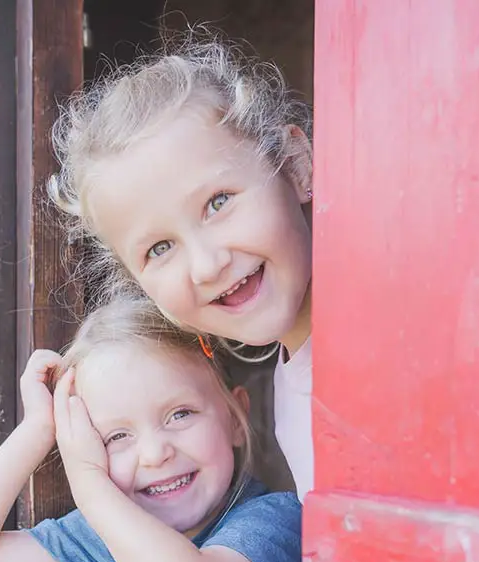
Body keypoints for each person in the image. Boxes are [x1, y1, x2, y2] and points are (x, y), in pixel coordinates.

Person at [0, 296, 309, 562]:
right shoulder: (104, 537)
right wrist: (36, 431)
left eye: (180, 414)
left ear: (235, 415)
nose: (155, 454)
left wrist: (89, 482)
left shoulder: (277, 521)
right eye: (117, 437)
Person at [46, 33, 317, 501]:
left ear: (294, 166)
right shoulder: (291, 382)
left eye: (218, 203)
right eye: (159, 249)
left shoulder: (397, 331)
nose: (208, 265)